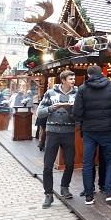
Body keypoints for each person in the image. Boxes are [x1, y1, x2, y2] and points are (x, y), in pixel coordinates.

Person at [73, 65, 111, 205]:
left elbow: (76, 112)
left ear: (89, 75)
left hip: (89, 130)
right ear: (102, 73)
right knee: (110, 161)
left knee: (88, 163)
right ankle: (109, 192)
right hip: (107, 129)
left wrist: (84, 120)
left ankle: (89, 196)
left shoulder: (82, 89)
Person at [36, 70, 78, 208]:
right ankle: (48, 194)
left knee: (70, 163)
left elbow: (80, 115)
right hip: (52, 133)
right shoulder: (50, 93)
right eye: (71, 78)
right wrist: (51, 108)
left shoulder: (77, 94)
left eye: (74, 78)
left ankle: (64, 187)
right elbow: (39, 113)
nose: (73, 81)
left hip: (69, 133)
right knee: (48, 165)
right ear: (63, 80)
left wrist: (72, 111)